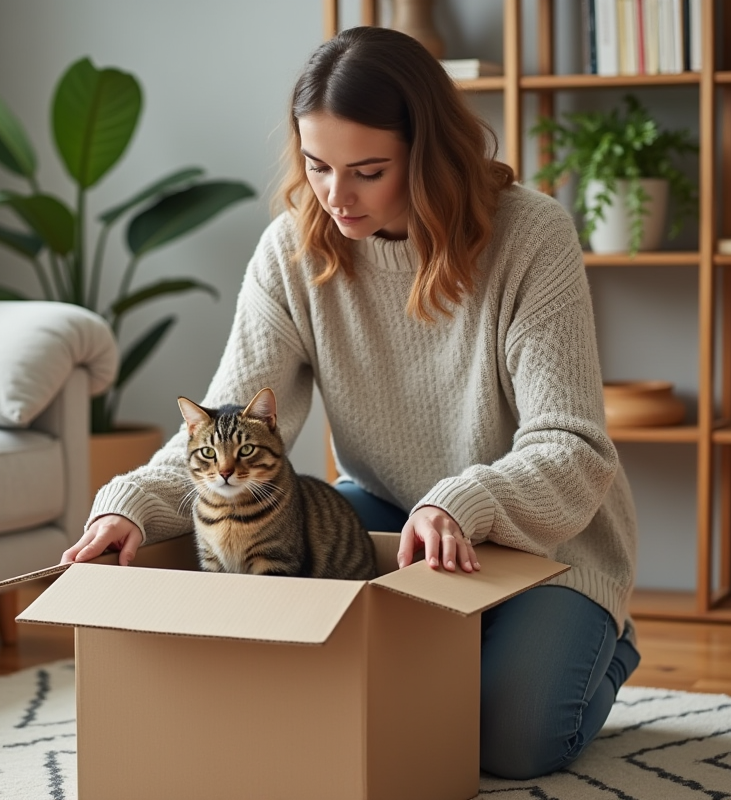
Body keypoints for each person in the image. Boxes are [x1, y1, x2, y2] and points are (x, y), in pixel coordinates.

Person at [62, 25, 640, 780]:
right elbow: (224, 429)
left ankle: (605, 638)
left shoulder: (531, 235)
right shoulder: (292, 252)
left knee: (507, 740)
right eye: (316, 165)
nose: (336, 196)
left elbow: (572, 444)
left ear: (428, 156)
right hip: (388, 516)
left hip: (549, 541)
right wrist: (128, 506)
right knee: (318, 669)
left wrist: (462, 500)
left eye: (367, 170)